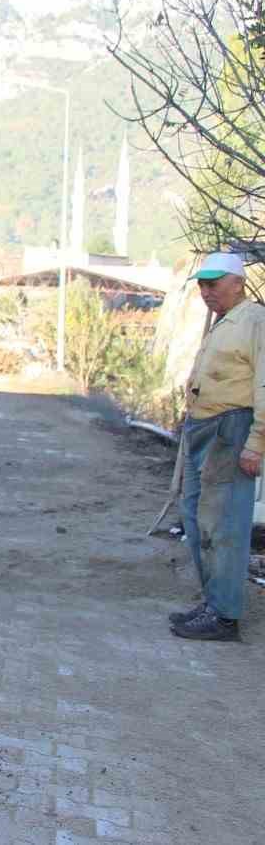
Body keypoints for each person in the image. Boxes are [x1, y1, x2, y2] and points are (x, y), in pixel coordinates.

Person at [169, 252, 264, 641]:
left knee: (224, 524)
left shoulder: (256, 320)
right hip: (204, 428)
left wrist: (256, 443)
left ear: (238, 283)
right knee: (195, 516)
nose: (206, 291)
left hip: (232, 429)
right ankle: (213, 601)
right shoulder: (224, 323)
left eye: (214, 284)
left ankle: (224, 616)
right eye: (202, 285)